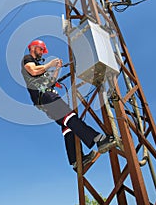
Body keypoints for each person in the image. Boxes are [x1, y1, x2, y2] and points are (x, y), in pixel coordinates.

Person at [21, 39, 117, 171]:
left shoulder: (39, 66)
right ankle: (98, 139)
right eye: (41, 50)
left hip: (46, 98)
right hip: (46, 96)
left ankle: (76, 161)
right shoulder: (28, 59)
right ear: (34, 48)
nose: (42, 53)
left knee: (67, 126)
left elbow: (51, 81)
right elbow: (33, 71)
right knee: (70, 117)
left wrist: (57, 69)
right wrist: (50, 64)